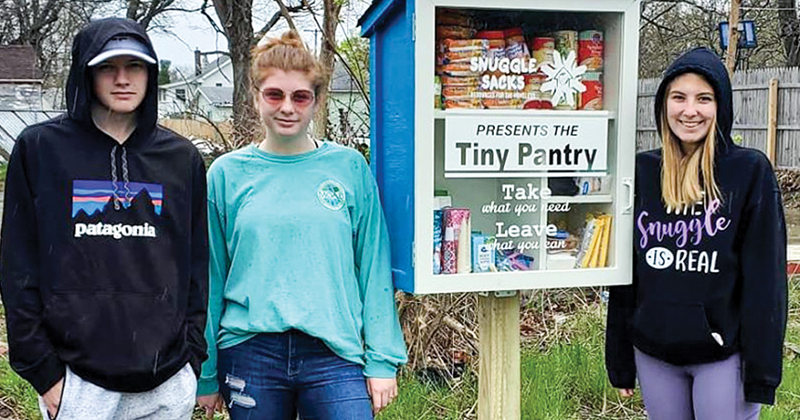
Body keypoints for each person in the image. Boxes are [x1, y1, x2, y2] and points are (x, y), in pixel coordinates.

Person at [0, 17, 209, 420]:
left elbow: (196, 268)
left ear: (150, 73)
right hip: (77, 383)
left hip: (167, 381)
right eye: (108, 68)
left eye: (135, 67)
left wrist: (191, 359)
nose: (122, 79)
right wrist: (45, 374)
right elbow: (17, 267)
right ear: (86, 73)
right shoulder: (41, 150)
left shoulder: (181, 159)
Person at [195, 30, 407, 420]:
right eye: (274, 94)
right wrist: (206, 372)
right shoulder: (226, 175)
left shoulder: (348, 168)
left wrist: (382, 359)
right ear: (256, 96)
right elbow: (209, 275)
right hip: (250, 350)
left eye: (300, 97)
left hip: (335, 350)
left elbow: (373, 265)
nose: (287, 107)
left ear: (316, 100)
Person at [605, 47, 787, 420]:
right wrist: (620, 358)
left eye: (703, 98)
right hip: (654, 351)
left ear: (720, 105)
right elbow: (626, 278)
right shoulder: (641, 171)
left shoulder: (748, 172)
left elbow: (766, 281)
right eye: (678, 97)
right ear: (663, 105)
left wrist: (762, 373)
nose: (690, 111)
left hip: (721, 356)